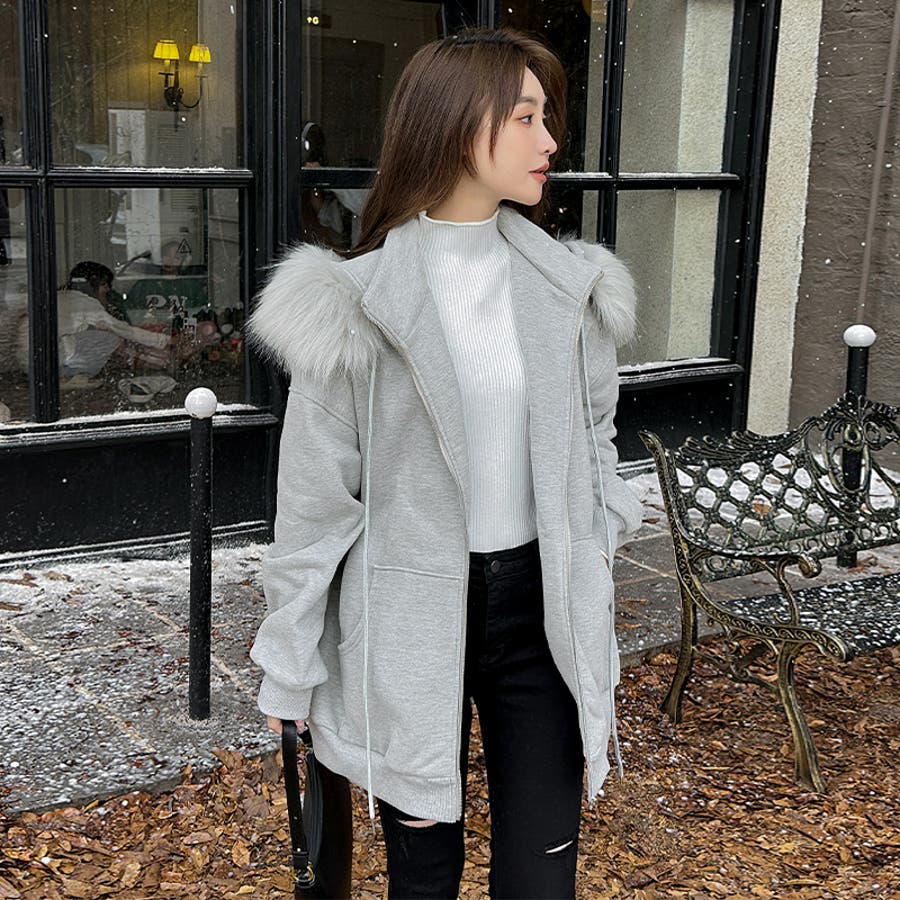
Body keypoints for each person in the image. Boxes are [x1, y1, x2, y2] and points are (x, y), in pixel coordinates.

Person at [248, 27, 643, 899]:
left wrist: (597, 533)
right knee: (423, 878)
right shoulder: (353, 303)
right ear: (459, 126)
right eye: (526, 118)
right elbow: (315, 504)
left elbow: (594, 440)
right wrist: (289, 667)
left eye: (547, 118)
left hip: (541, 611)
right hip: (408, 617)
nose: (550, 141)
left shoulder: (570, 287)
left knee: (542, 875)